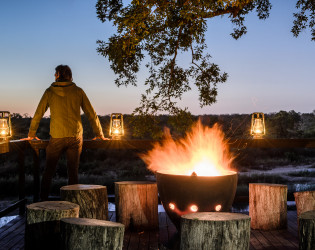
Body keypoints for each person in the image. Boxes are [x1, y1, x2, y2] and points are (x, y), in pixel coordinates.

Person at [23, 65, 107, 200]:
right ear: (70, 76)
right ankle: (72, 204)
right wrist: (99, 133)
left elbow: (38, 114)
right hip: (75, 136)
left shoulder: (49, 92)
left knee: (48, 172)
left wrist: (31, 134)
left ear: (57, 75)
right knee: (73, 173)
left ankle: (43, 202)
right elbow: (91, 113)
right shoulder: (78, 91)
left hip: (56, 136)